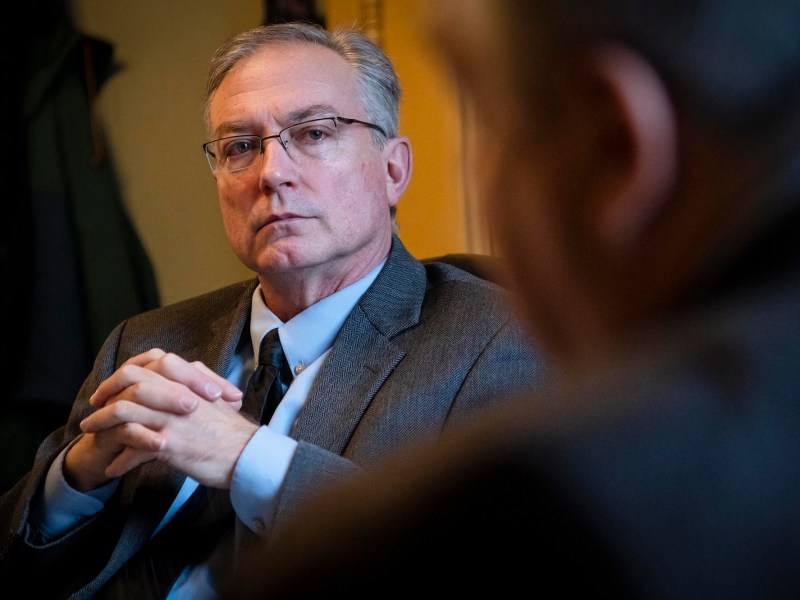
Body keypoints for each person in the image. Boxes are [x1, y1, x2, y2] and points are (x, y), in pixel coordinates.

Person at [219, 1, 800, 598]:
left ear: (614, 146)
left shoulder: (539, 514)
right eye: (238, 146)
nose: (272, 174)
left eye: (488, 125)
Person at [0, 21, 545, 598]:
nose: (271, 173)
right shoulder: (144, 340)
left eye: (313, 133)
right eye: (240, 146)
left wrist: (246, 457)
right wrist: (78, 478)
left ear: (393, 170)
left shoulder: (501, 341)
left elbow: (484, 561)